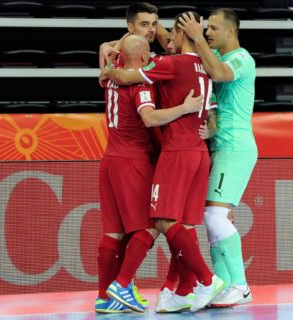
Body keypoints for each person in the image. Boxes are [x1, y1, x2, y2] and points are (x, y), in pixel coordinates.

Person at [100, 12, 224, 313]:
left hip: (174, 152)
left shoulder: (169, 65)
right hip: (199, 151)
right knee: (183, 224)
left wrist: (108, 71)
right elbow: (212, 116)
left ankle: (203, 281)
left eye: (171, 35)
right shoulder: (205, 68)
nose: (166, 39)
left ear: (182, 36)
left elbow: (130, 75)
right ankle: (183, 289)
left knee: (161, 221)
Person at [178, 8, 257, 307]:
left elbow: (219, 74)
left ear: (230, 31)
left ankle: (241, 285)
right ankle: (224, 285)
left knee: (215, 217)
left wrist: (198, 38)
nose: (208, 32)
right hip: (219, 146)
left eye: (213, 28)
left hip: (235, 148)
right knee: (211, 219)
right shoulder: (214, 55)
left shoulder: (240, 59)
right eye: (206, 28)